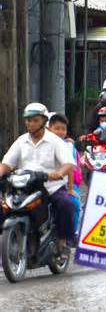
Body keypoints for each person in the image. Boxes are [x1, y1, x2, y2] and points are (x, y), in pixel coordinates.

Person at [0, 103, 75, 259]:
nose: (30, 124)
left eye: (34, 120)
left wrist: (59, 173)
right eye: (28, 120)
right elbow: (6, 164)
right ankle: (8, 242)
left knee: (66, 204)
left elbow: (68, 163)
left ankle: (62, 243)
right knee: (5, 206)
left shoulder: (55, 141)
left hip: (51, 186)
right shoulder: (21, 141)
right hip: (25, 186)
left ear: (43, 121)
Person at [47, 113, 82, 242]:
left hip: (65, 183)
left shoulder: (67, 146)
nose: (60, 132)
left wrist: (70, 188)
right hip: (43, 182)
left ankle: (71, 233)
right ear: (49, 128)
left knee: (74, 203)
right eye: (57, 128)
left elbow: (70, 168)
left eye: (63, 129)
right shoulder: (40, 142)